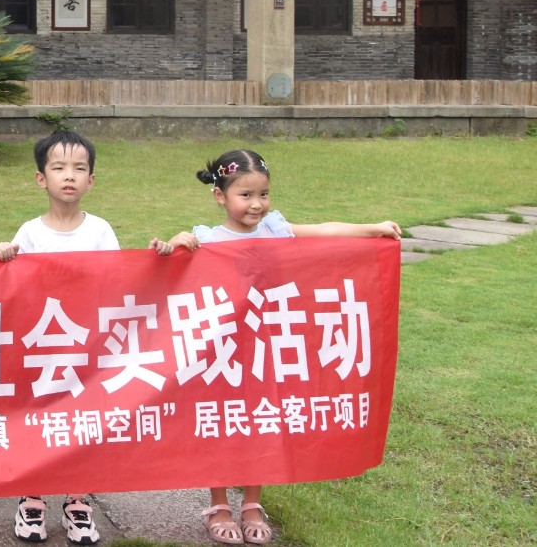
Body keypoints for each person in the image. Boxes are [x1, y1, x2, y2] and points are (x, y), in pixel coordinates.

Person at [152, 148, 402, 545]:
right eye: (246, 195)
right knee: (221, 422)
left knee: (263, 420)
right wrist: (175, 243)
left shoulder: (274, 229)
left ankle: (252, 503)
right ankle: (219, 504)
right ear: (220, 196)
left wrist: (372, 228)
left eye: (263, 194)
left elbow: (322, 230)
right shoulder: (208, 239)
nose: (257, 204)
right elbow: (174, 261)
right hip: (224, 352)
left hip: (269, 348)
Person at [0, 130, 113, 545]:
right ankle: (32, 497)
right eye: (59, 167)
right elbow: (11, 284)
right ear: (41, 178)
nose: (69, 176)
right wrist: (5, 255)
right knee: (38, 420)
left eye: (79, 168)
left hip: (86, 346)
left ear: (91, 180)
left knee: (83, 422)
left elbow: (118, 280)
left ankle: (78, 500)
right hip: (42, 347)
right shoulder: (30, 232)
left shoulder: (100, 231)